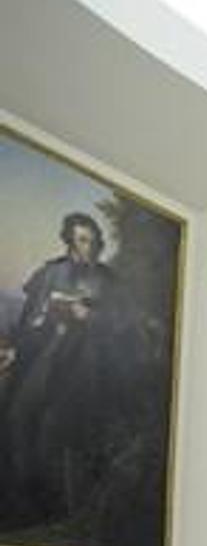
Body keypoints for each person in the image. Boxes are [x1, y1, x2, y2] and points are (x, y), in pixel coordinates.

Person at [0, 210, 131, 529]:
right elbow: (28, 319)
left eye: (91, 241)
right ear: (68, 242)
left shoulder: (109, 280)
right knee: (17, 417)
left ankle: (59, 509)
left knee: (59, 429)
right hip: (45, 354)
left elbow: (123, 325)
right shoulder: (49, 274)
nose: (86, 248)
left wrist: (90, 318)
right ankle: (21, 502)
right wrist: (33, 328)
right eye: (80, 241)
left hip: (87, 361)